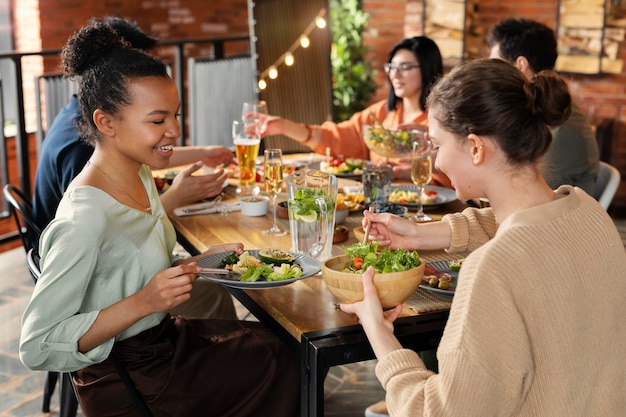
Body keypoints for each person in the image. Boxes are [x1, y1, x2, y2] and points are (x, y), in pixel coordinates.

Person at [344, 59, 626, 416]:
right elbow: (524, 229)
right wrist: (418, 233)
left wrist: (378, 331)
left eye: (436, 145)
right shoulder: (589, 213)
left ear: (476, 148)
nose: (436, 162)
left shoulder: (492, 270)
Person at [31, 16, 237, 320]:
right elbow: (39, 343)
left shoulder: (131, 166)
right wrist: (146, 301)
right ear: (106, 120)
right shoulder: (84, 208)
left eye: (175, 116)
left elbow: (131, 259)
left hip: (147, 325)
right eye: (157, 120)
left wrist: (196, 262)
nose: (175, 131)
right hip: (132, 348)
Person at [256, 36, 451, 187]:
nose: (395, 74)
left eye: (405, 67)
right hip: (380, 205)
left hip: (432, 212)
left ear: (427, 69)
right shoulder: (380, 114)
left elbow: (459, 176)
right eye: (391, 66)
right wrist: (283, 126)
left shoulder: (443, 121)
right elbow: (335, 138)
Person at [487, 17, 599, 195]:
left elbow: (528, 197)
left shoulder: (559, 124)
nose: (491, 73)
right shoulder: (535, 108)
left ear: (521, 65)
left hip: (554, 219)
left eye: (496, 64)